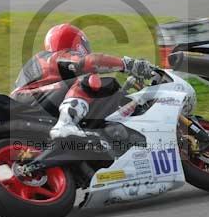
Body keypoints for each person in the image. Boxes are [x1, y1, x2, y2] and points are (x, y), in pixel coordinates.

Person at [11, 23, 154, 139]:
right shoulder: (56, 56)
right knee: (89, 79)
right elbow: (90, 62)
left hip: (32, 103)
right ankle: (65, 124)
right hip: (28, 100)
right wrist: (127, 64)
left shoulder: (51, 67)